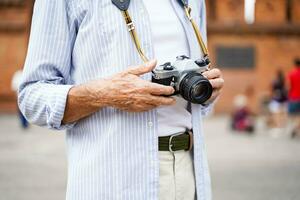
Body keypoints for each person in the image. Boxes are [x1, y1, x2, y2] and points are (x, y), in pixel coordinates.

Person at [18, 0, 224, 199]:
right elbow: (32, 94)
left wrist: (205, 93)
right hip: (113, 183)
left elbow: (198, 100)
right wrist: (105, 94)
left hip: (188, 173)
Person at [287, 59, 300, 138]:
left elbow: (289, 86)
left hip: (293, 97)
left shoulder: (292, 74)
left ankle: (294, 128)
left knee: (292, 115)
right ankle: (296, 127)